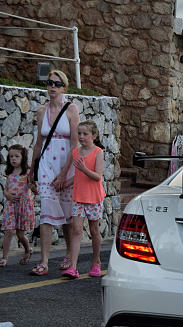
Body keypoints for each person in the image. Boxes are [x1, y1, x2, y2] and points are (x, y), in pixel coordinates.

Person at [30, 69, 79, 276]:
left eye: (57, 84)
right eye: (49, 83)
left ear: (64, 88)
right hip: (46, 166)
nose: (52, 87)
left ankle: (69, 254)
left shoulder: (71, 110)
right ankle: (44, 261)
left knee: (67, 213)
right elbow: (39, 143)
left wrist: (66, 173)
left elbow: (75, 144)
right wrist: (32, 172)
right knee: (46, 214)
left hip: (65, 165)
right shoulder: (41, 111)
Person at [61, 121, 107, 279]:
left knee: (94, 230)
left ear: (93, 136)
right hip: (78, 197)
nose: (81, 136)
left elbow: (97, 177)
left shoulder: (98, 152)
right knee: (76, 230)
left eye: (85, 134)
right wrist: (65, 183)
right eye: (79, 133)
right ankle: (73, 267)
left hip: (93, 198)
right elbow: (78, 175)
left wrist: (84, 168)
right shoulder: (75, 152)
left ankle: (96, 262)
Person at [2, 145, 36, 267]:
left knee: (20, 234)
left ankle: (28, 250)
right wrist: (7, 195)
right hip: (11, 205)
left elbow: (34, 188)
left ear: (23, 157)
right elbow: (5, 189)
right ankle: (4, 258)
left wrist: (33, 187)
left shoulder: (27, 172)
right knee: (9, 231)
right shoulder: (9, 173)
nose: (13, 159)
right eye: (11, 156)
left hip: (23, 206)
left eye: (17, 156)